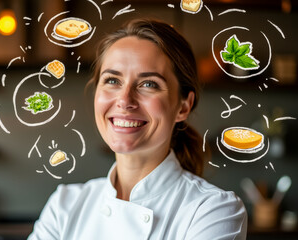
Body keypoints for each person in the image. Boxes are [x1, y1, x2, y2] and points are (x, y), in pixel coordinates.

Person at [28, 18, 247, 240]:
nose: (124, 100)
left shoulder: (212, 211)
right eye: (112, 80)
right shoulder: (65, 205)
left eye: (149, 84)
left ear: (183, 106)